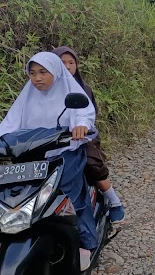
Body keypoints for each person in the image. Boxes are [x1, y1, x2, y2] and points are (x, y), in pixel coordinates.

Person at [0, 52, 99, 271]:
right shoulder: (27, 96)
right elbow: (9, 123)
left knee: (68, 194)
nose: (37, 78)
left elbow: (83, 113)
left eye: (43, 72)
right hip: (32, 158)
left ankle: (86, 241)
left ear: (55, 71)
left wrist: (80, 125)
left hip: (65, 153)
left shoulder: (70, 91)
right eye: (33, 73)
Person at [52, 46, 126, 223]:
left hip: (81, 137)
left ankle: (114, 201)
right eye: (63, 63)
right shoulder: (44, 89)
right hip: (51, 139)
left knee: (91, 164)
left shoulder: (83, 88)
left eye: (72, 62)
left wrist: (81, 126)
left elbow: (89, 113)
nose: (68, 66)